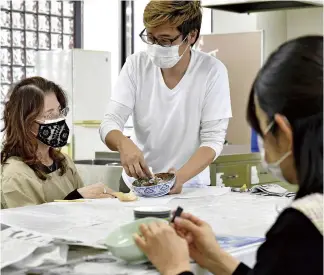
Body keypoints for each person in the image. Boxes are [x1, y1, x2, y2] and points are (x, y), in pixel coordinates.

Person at [133, 35, 323, 275]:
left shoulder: (301, 228)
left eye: (262, 131)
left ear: (284, 133)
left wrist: (175, 268)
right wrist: (217, 259)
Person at [100, 0, 232, 194]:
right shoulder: (136, 65)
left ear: (192, 36)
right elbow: (109, 122)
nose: (156, 47)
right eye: (151, 38)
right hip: (136, 186)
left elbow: (213, 140)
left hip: (188, 187)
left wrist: (180, 177)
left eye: (165, 40)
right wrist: (123, 143)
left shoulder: (212, 71)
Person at [1, 77, 115, 209]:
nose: (60, 120)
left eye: (60, 111)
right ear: (25, 122)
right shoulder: (16, 174)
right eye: (50, 115)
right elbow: (32, 224)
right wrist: (76, 197)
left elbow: (81, 211)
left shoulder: (64, 162)